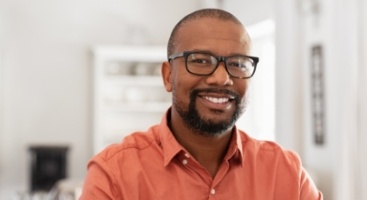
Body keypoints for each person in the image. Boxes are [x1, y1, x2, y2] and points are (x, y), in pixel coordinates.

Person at [80, 8, 323, 199]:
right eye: (200, 60)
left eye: (237, 63)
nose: (221, 78)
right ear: (167, 76)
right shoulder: (114, 175)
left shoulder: (287, 173)